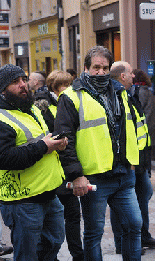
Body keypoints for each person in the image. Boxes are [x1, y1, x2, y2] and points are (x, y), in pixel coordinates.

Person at [54, 46, 143, 261]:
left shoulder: (119, 91)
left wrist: (133, 161)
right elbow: (65, 140)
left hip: (123, 174)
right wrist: (76, 175)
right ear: (86, 68)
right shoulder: (71, 96)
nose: (101, 72)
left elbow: (127, 129)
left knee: (134, 225)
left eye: (104, 68)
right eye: (96, 68)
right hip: (94, 177)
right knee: (94, 234)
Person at [0, 64, 67, 260]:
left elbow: (41, 140)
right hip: (23, 201)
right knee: (27, 255)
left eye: (23, 79)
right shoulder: (3, 118)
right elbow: (4, 158)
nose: (22, 85)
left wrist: (57, 143)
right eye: (14, 82)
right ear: (3, 90)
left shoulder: (31, 109)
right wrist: (44, 147)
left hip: (48, 193)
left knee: (53, 244)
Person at [109, 63, 155, 254]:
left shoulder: (131, 94)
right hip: (127, 162)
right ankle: (124, 242)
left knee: (143, 195)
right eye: (131, 72)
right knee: (123, 203)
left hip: (139, 159)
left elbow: (140, 127)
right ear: (123, 76)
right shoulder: (114, 96)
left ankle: (142, 235)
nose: (134, 75)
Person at [35, 70, 84, 261]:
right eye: (63, 86)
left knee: (72, 215)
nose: (67, 89)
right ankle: (50, 255)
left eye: (69, 85)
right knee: (50, 220)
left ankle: (77, 254)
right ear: (54, 88)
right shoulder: (44, 109)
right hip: (52, 172)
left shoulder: (70, 103)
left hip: (66, 170)